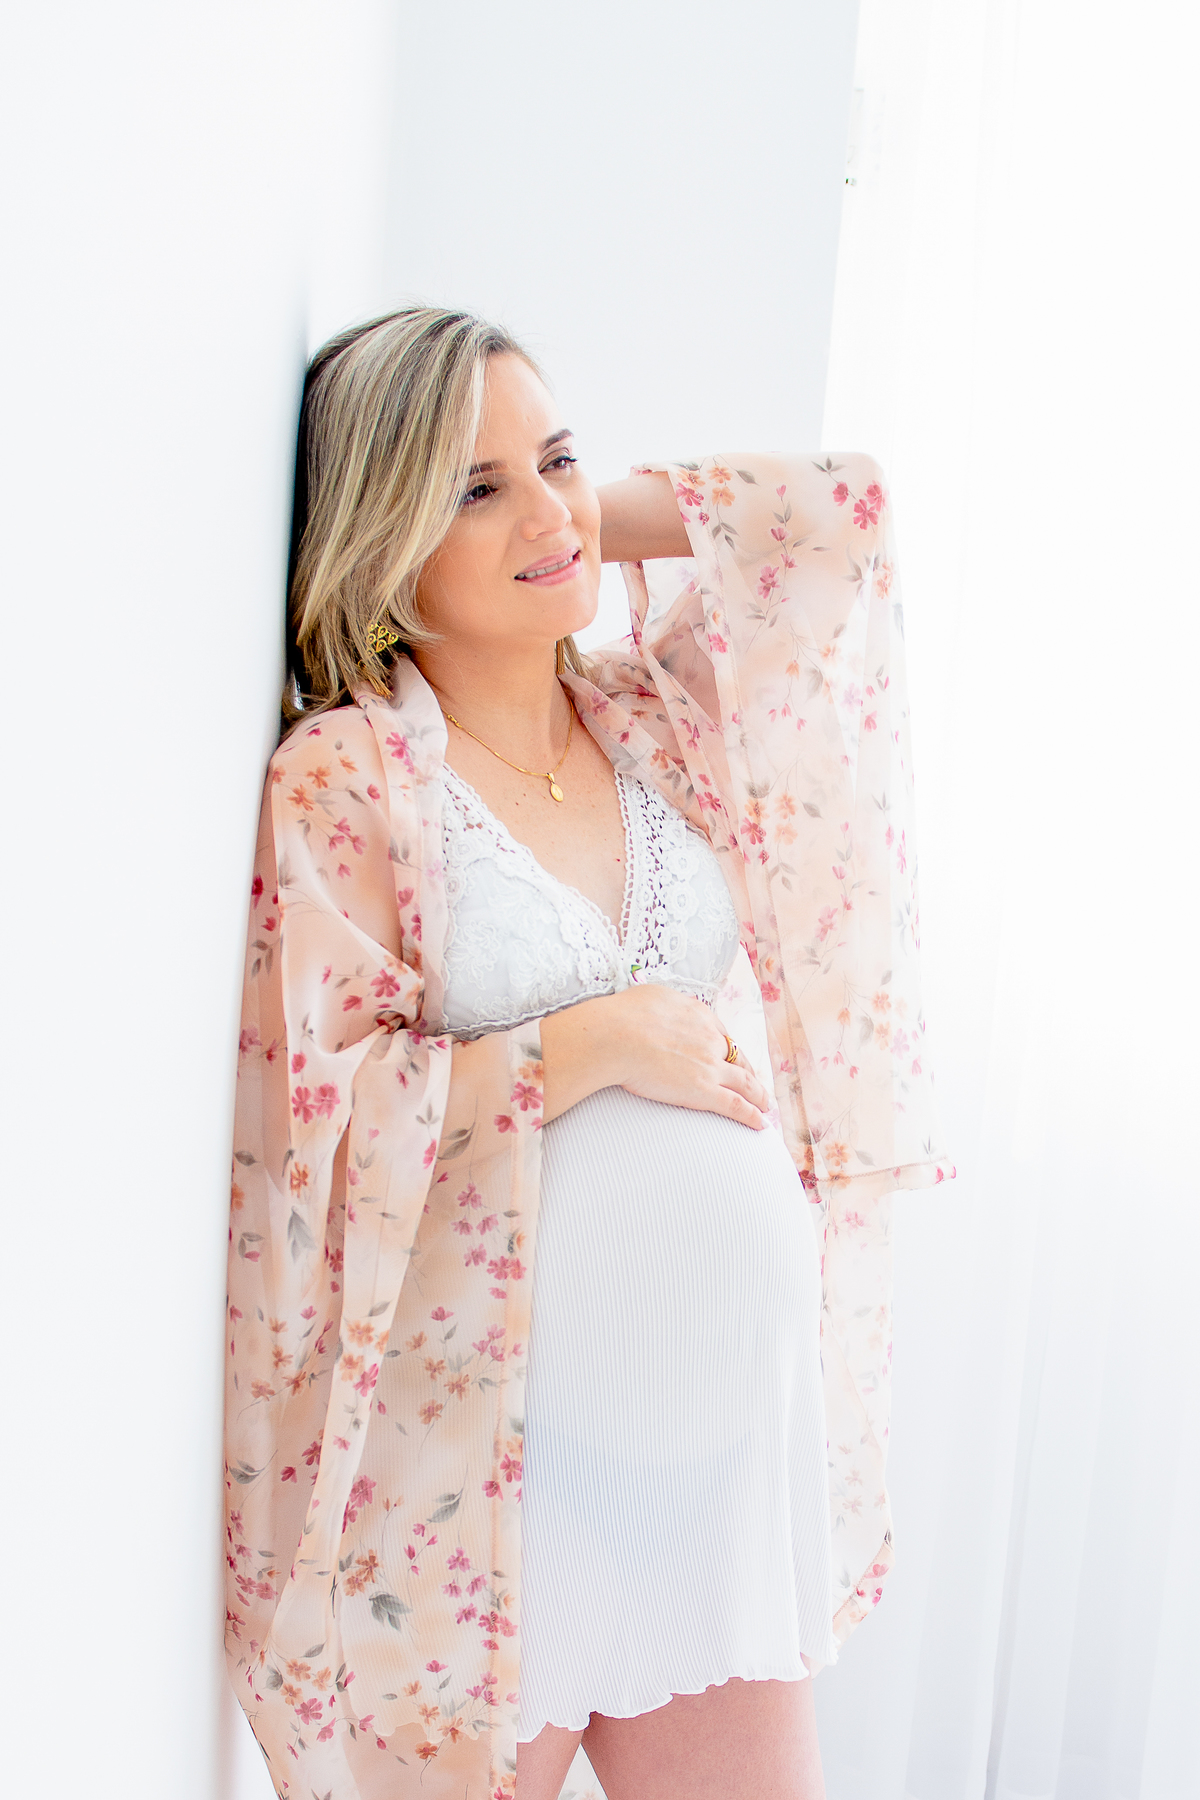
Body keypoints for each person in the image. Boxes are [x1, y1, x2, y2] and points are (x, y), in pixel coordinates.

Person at [224, 306, 952, 1800]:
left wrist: (563, 515)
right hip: (498, 1494)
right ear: (380, 536)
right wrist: (591, 1039)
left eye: (557, 457)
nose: (548, 512)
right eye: (473, 488)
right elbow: (319, 1127)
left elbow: (842, 520)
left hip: (710, 1474)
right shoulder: (351, 777)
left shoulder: (654, 716)